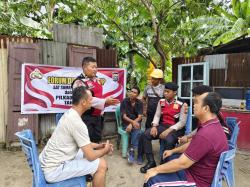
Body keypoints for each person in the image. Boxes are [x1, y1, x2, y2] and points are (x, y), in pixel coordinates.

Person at [144, 92, 229, 187]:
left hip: (196, 180)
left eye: (196, 102)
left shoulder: (206, 134)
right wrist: (173, 151)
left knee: (152, 181)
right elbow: (192, 143)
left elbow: (182, 163)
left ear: (206, 108)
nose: (193, 105)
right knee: (170, 157)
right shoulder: (212, 124)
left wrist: (156, 169)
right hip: (194, 169)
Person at [39, 86, 113, 187]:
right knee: (102, 164)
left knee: (82, 151)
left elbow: (84, 143)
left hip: (48, 163)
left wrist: (99, 146)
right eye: (91, 99)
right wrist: (106, 150)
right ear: (83, 102)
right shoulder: (77, 123)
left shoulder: (69, 114)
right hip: (54, 170)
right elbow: (90, 156)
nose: (93, 101)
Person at [139, 82, 187, 173]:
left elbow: (182, 122)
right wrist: (154, 126)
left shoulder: (182, 104)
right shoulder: (161, 101)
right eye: (164, 91)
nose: (165, 93)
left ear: (174, 93)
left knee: (169, 140)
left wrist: (169, 130)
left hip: (176, 129)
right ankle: (151, 162)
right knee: (145, 135)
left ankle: (164, 164)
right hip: (163, 125)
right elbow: (157, 116)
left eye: (167, 92)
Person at [72, 57, 120, 143]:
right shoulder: (79, 82)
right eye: (93, 67)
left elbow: (99, 97)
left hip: (98, 117)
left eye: (96, 67)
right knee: (86, 143)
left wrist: (106, 103)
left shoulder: (97, 80)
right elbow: (86, 99)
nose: (95, 69)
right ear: (84, 67)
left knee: (97, 141)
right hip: (85, 118)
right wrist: (104, 101)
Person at [120, 86, 143, 164]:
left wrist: (132, 124)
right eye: (131, 91)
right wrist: (131, 123)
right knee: (137, 129)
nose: (132, 93)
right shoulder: (124, 101)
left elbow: (140, 117)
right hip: (126, 122)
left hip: (136, 122)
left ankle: (132, 150)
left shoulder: (139, 103)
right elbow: (124, 116)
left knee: (137, 129)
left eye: (135, 92)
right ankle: (134, 151)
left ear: (138, 95)